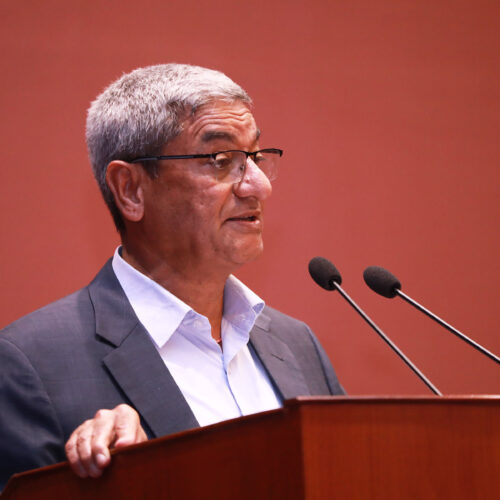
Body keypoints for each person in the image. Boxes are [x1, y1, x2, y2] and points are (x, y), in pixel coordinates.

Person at [0, 64, 344, 489]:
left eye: (255, 158)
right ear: (130, 189)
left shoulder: (296, 344)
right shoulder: (30, 365)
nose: (258, 186)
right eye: (222, 160)